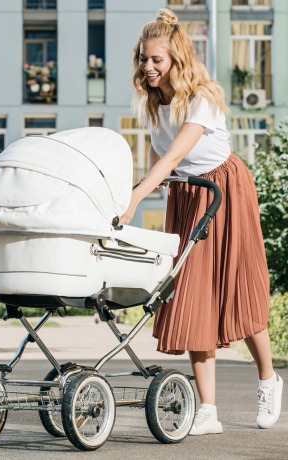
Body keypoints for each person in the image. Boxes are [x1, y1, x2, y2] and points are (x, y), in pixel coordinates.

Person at [119, 8, 283, 436]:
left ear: (176, 58)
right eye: (143, 58)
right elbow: (160, 157)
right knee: (193, 298)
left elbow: (176, 155)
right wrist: (135, 188)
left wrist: (136, 198)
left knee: (236, 290)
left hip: (225, 191)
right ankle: (208, 410)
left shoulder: (202, 97)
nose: (148, 66)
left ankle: (268, 378)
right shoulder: (154, 105)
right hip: (188, 197)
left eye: (156, 59)